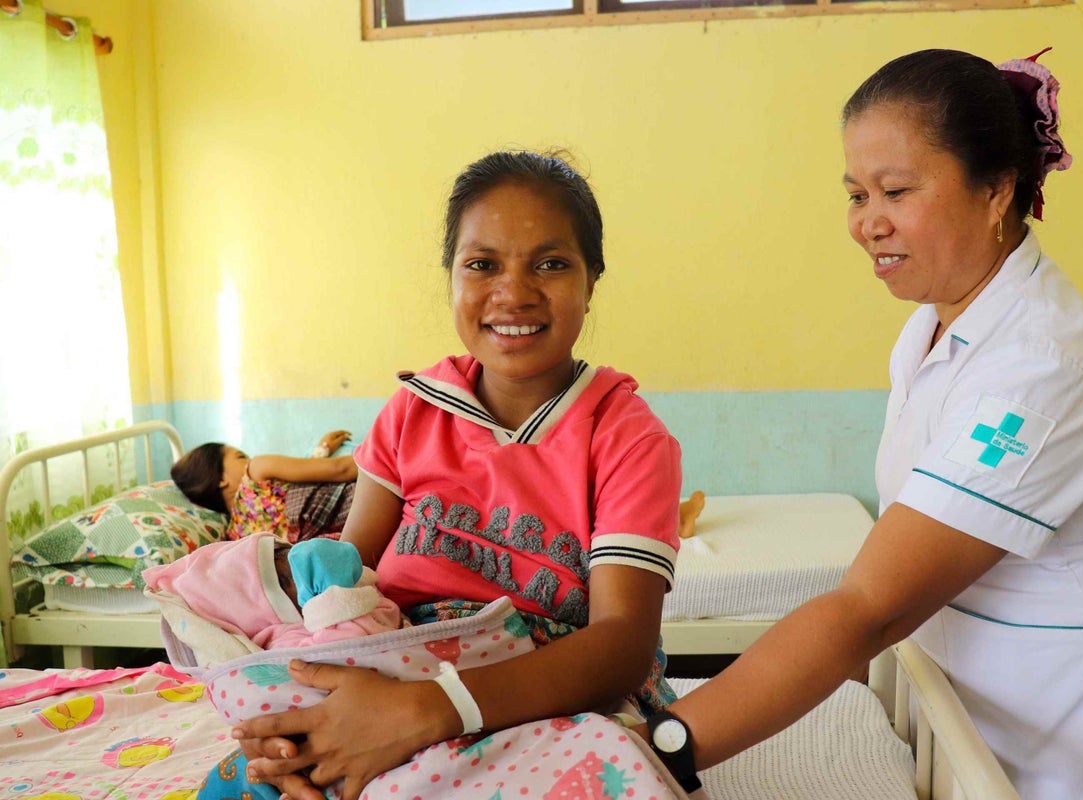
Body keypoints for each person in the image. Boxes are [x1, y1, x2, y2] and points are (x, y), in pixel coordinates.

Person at [620, 49, 1083, 800]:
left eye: (896, 190)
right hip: (979, 716)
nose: (867, 223)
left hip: (1082, 736)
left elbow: (869, 606)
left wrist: (659, 748)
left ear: (997, 191)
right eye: (856, 194)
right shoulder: (934, 326)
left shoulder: (1046, 367)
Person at [224, 150, 684, 800]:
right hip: (397, 669)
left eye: (551, 263)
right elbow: (350, 578)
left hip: (544, 692)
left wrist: (427, 710)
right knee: (255, 772)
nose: (514, 292)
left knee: (603, 769)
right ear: (451, 278)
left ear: (592, 280)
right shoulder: (414, 411)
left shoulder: (626, 436)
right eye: (482, 264)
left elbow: (620, 647)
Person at [144, 534, 405, 665]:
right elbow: (341, 654)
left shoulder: (327, 594)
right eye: (283, 581)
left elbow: (388, 614)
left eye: (288, 553)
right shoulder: (283, 641)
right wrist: (336, 606)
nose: (297, 569)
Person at [170, 430, 358, 542]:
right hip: (357, 503)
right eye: (241, 456)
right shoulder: (256, 469)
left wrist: (321, 450)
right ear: (220, 478)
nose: (249, 459)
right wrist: (382, 455)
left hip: (349, 539)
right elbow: (340, 469)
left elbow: (287, 493)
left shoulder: (236, 537)